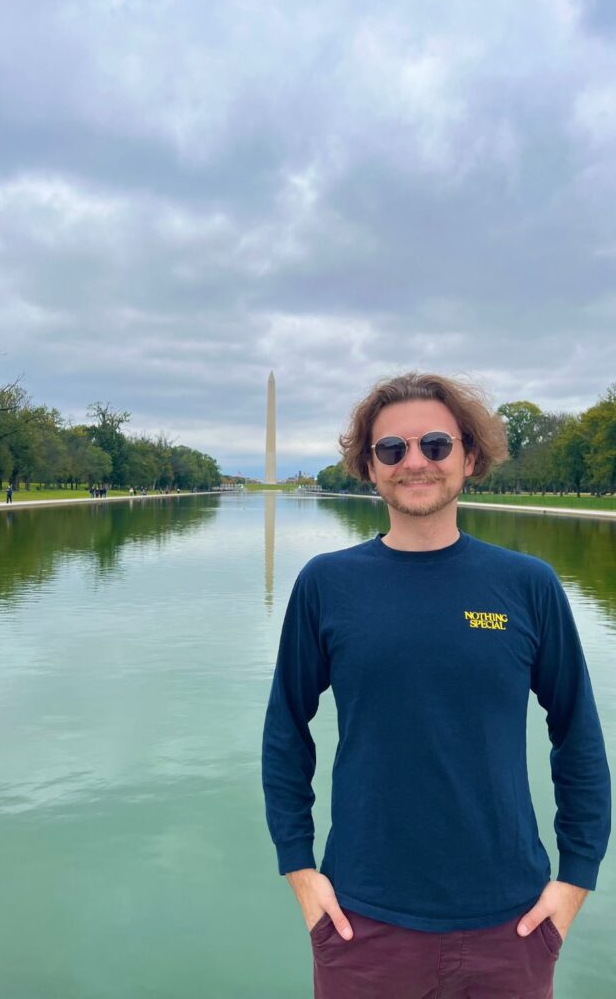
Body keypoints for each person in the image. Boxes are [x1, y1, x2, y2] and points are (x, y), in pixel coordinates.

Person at [261, 372, 611, 999]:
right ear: (368, 467)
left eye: (436, 445)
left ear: (469, 457)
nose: (414, 462)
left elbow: (578, 733)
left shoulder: (528, 585)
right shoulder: (326, 584)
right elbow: (285, 729)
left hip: (513, 924)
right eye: (391, 449)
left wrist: (575, 878)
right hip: (360, 923)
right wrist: (298, 867)